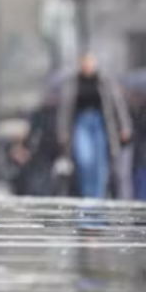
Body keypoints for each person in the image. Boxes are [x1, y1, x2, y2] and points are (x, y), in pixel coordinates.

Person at [57, 52, 132, 199]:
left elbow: (118, 104)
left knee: (100, 161)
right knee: (83, 159)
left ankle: (98, 194)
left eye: (90, 62)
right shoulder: (74, 82)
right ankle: (87, 192)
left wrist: (124, 125)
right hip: (81, 123)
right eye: (84, 62)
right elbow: (65, 108)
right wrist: (63, 129)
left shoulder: (104, 81)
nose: (87, 65)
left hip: (101, 123)